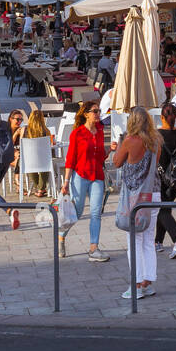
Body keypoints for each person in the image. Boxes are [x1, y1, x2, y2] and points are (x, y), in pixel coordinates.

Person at [111, 106, 163, 298]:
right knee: (149, 239)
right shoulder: (157, 141)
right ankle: (148, 282)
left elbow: (116, 162)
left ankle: (137, 285)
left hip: (135, 196)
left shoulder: (130, 140)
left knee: (134, 240)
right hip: (154, 193)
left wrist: (117, 148)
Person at [60, 100, 110, 261]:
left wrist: (110, 150)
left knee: (96, 213)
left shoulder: (101, 131)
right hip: (80, 176)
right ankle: (61, 236)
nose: (98, 114)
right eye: (95, 111)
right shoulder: (77, 133)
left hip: (97, 176)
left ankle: (93, 248)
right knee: (77, 212)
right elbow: (70, 159)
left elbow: (100, 156)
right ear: (86, 113)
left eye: (99, 111)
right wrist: (66, 182)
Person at [155, 102, 176, 260]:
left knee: (162, 209)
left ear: (162, 117)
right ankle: (158, 242)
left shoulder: (156, 136)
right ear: (175, 117)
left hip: (162, 178)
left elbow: (154, 159)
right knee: (165, 208)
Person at [18, 110, 56, 196]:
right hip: (43, 162)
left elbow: (21, 145)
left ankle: (39, 188)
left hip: (28, 162)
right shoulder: (46, 131)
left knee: (31, 164)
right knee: (46, 162)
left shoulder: (24, 130)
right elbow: (50, 146)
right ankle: (41, 189)